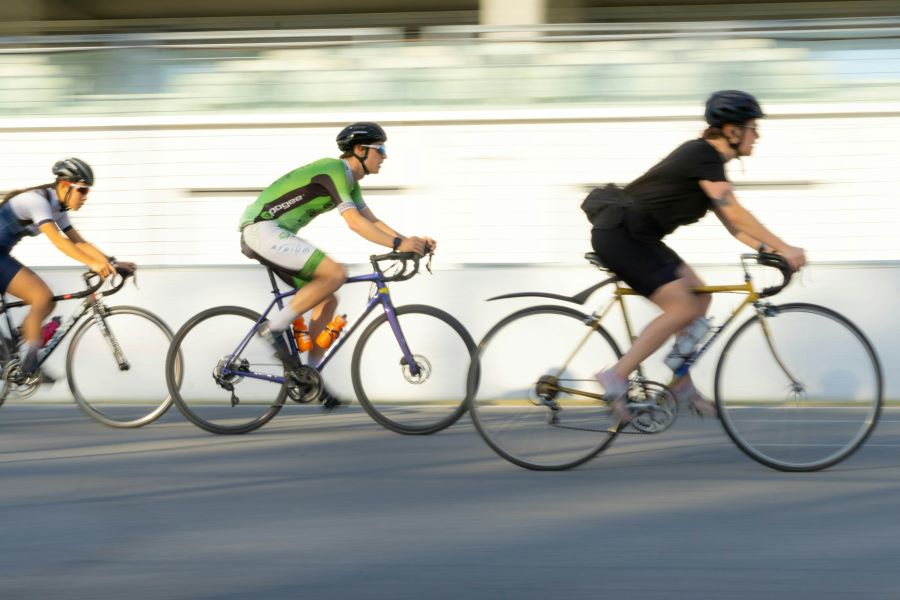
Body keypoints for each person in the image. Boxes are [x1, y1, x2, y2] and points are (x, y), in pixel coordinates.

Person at [589, 90, 806, 422]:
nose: (757, 135)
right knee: (683, 306)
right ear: (732, 130)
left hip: (639, 237)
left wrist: (770, 252)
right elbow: (735, 213)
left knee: (699, 300)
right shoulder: (702, 155)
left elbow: (734, 228)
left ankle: (680, 384)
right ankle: (616, 375)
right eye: (752, 127)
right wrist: (786, 247)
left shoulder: (710, 165)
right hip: (621, 235)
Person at [239, 122, 436, 408]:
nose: (385, 156)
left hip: (272, 234)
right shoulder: (334, 170)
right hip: (262, 229)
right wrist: (397, 245)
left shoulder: (350, 182)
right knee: (335, 273)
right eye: (380, 149)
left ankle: (310, 377)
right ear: (359, 150)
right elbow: (355, 224)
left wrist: (411, 242)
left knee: (327, 298)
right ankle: (273, 329)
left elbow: (371, 220)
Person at [0, 158, 132, 380]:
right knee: (41, 297)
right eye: (82, 190)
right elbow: (59, 241)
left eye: (87, 191)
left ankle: (12, 352)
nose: (85, 197)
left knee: (46, 302)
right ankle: (28, 366)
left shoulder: (58, 208)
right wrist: (93, 264)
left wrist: (112, 262)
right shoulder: (37, 201)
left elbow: (79, 242)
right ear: (64, 186)